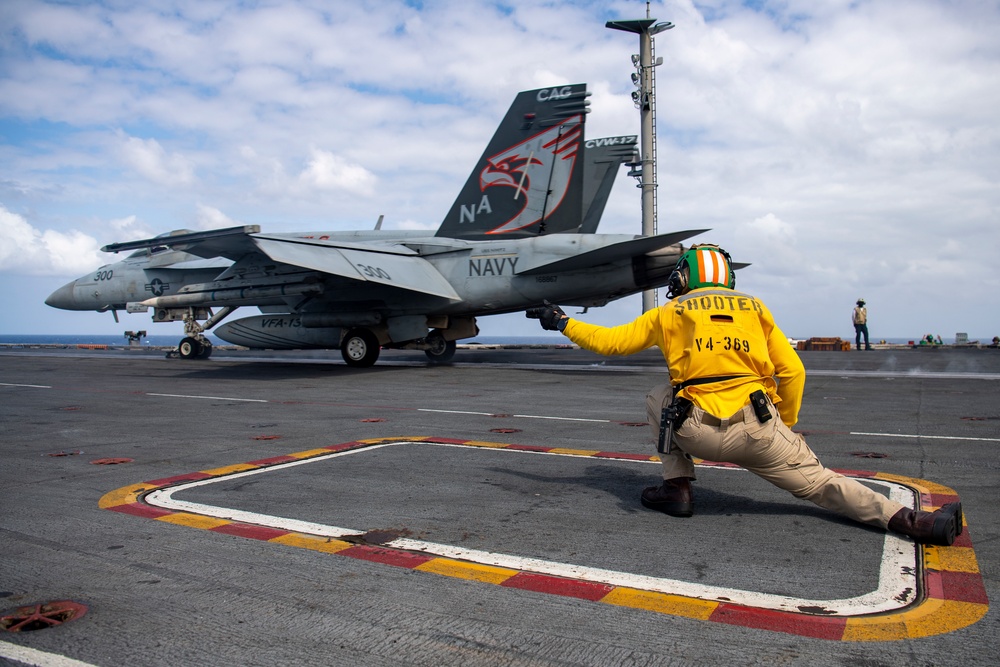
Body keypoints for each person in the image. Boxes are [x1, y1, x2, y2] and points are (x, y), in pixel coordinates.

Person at [526, 244, 963, 546]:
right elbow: (793, 370)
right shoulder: (755, 308)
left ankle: (678, 489)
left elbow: (611, 343)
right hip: (760, 430)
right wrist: (783, 424)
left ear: (686, 277)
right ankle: (916, 522)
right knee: (822, 485)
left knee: (659, 396)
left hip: (695, 429)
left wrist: (561, 321)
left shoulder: (670, 311)